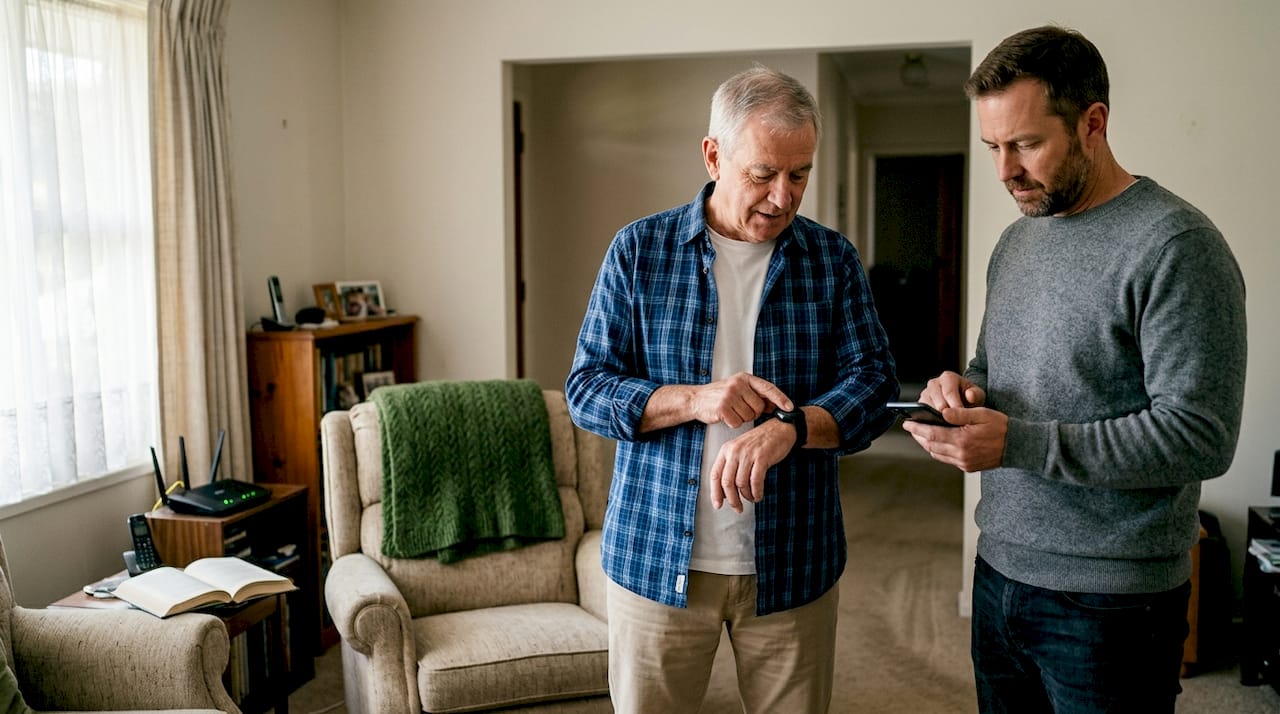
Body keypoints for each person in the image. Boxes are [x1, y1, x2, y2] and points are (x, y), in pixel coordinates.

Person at [902, 26, 1247, 714]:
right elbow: (991, 370)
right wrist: (960, 390)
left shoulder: (1175, 246)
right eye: (993, 147)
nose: (1005, 171)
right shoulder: (1017, 239)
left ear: (1094, 123)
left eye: (1026, 144)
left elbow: (1202, 435)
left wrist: (1019, 442)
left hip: (1112, 602)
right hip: (999, 572)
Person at [565, 66, 898, 713]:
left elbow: (875, 384)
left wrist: (792, 427)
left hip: (793, 560)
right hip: (656, 561)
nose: (783, 195)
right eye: (763, 173)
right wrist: (696, 398)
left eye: (799, 174)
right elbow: (586, 388)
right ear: (714, 155)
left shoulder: (833, 260)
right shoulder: (639, 251)